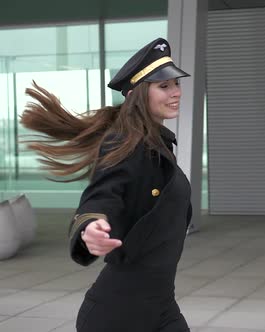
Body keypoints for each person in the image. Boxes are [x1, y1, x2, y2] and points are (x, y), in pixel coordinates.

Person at [20, 38, 193, 332]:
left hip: (161, 305)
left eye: (175, 83)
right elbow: (103, 193)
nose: (175, 92)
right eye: (164, 86)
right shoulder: (126, 143)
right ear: (139, 93)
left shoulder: (158, 143)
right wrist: (91, 225)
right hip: (117, 314)